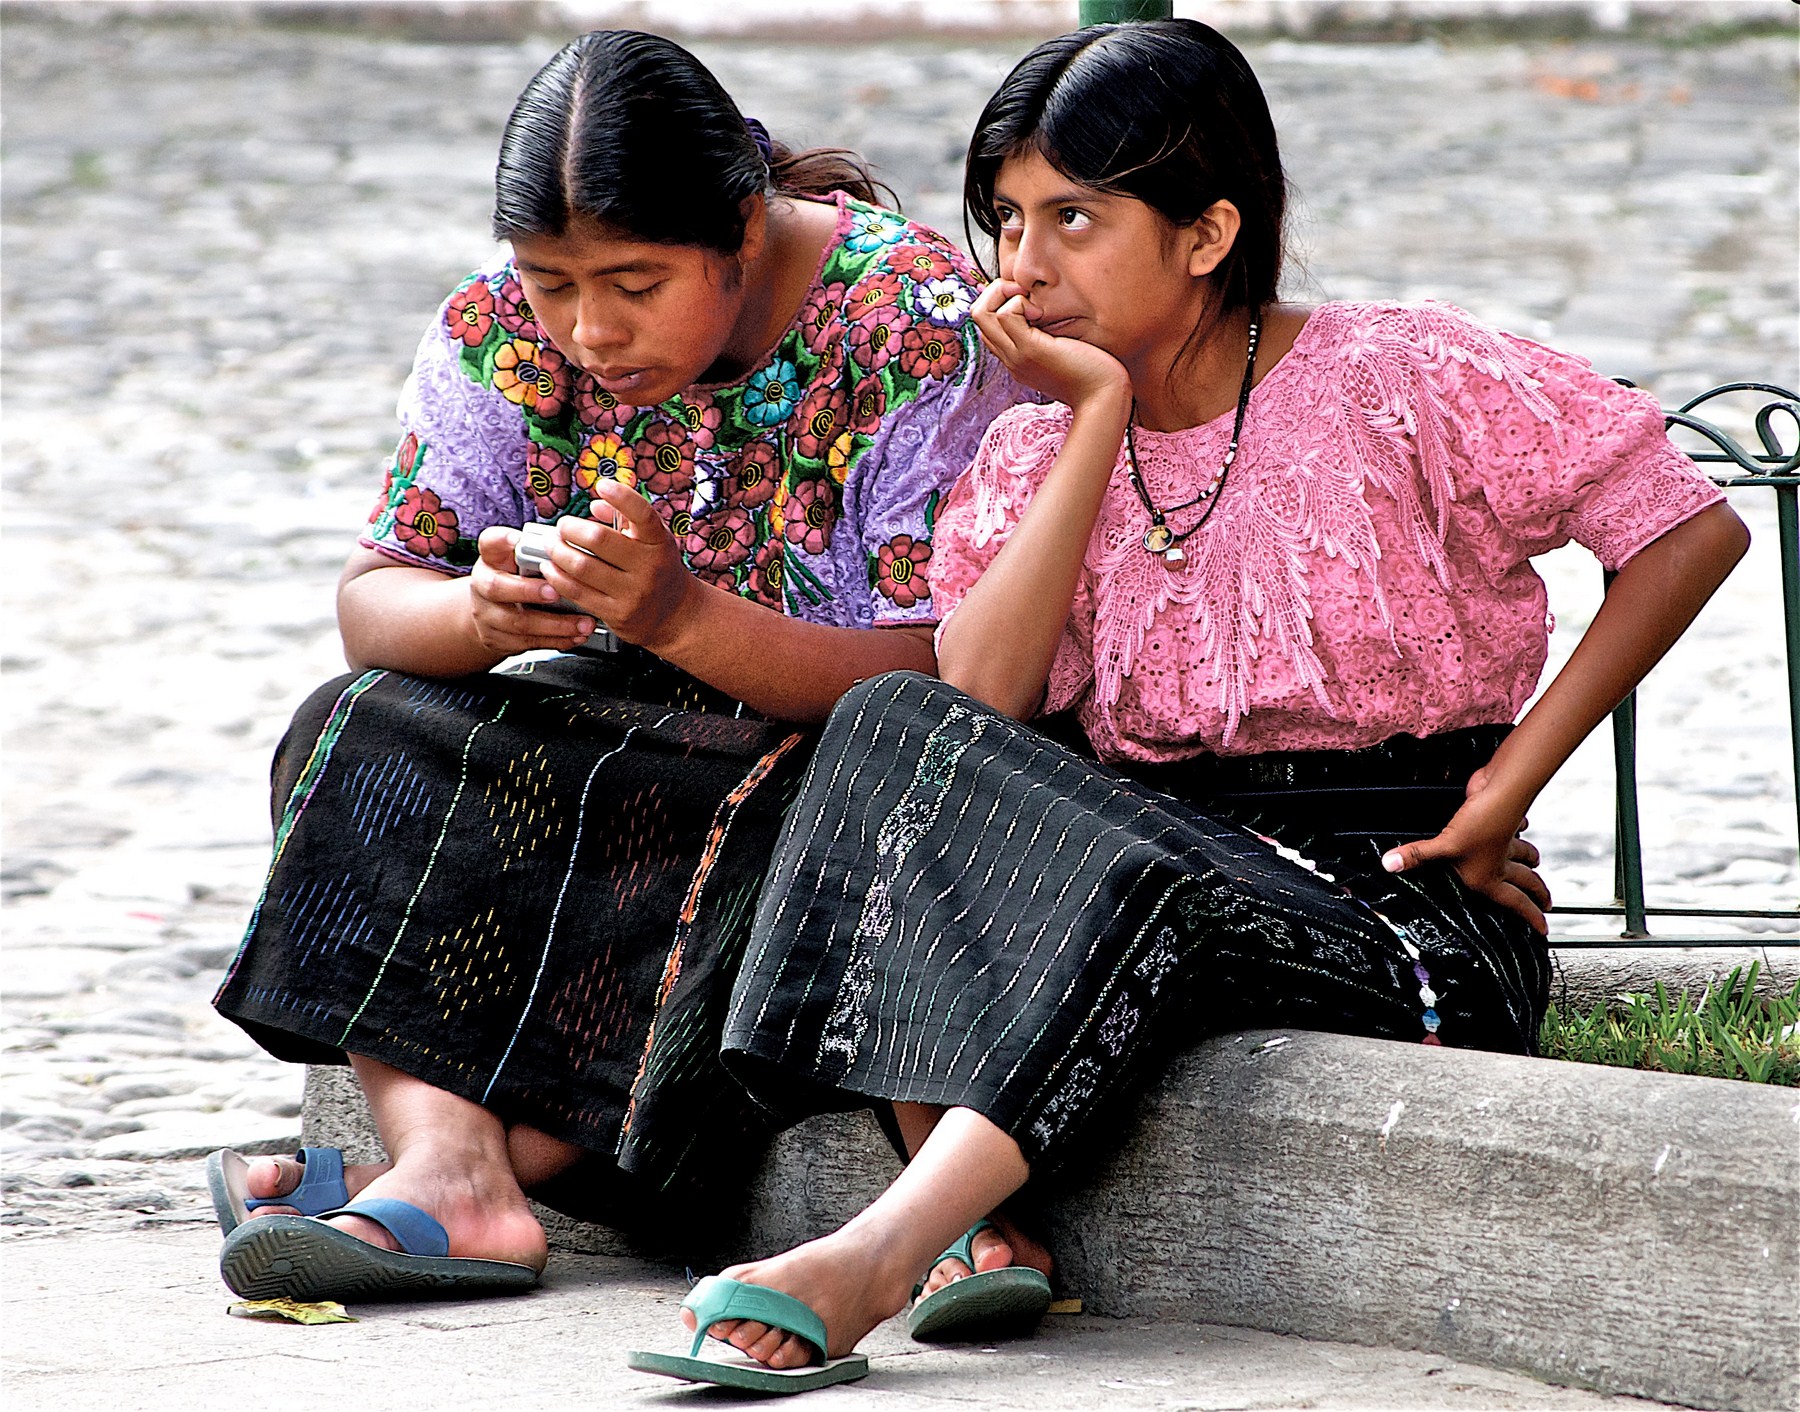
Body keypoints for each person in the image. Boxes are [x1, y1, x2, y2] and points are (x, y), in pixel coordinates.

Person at [633, 17, 1750, 1388]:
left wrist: (1503, 792)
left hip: (1400, 901)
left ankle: (880, 1254)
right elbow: (979, 697)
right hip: (1156, 857)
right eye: (1005, 221)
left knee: (1153, 874)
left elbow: (1684, 528)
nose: (1021, 267)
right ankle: (952, 1194)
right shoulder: (1033, 444)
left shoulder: (1402, 375)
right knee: (888, 726)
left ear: (1208, 234)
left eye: (1074, 220)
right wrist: (1093, 420)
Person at [208, 28, 1018, 1302]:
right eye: (554, 283)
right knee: (343, 727)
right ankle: (451, 1163)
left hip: (808, 761)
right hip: (603, 730)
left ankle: (444, 1169)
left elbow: (950, 674)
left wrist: (685, 617)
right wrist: (479, 614)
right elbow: (375, 602)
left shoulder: (902, 322)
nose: (589, 329)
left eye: (637, 284)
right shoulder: (500, 328)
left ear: (743, 236)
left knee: (787, 845)